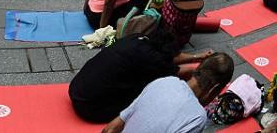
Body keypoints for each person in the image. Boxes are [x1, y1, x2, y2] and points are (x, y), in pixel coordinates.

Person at [69, 28, 215, 124]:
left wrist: (198, 56)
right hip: (89, 108)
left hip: (77, 89)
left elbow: (169, 57)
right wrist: (201, 72)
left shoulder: (138, 38)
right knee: (150, 93)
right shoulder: (154, 60)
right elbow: (177, 71)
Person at [102, 53, 234, 133]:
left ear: (197, 70)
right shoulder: (197, 118)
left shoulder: (165, 81)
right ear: (214, 89)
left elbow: (111, 128)